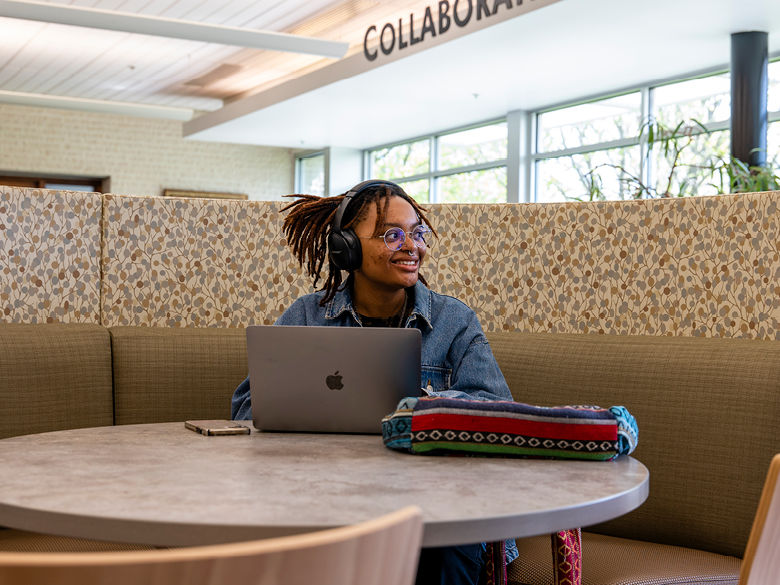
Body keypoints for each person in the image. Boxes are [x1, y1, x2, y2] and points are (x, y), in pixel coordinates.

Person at [231, 179, 518, 585]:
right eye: (392, 235)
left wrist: (421, 406)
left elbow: (497, 407)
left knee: (439, 552)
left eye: (417, 233)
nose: (411, 245)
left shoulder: (455, 322)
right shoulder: (307, 316)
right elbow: (247, 408)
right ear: (346, 247)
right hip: (332, 495)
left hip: (436, 505)